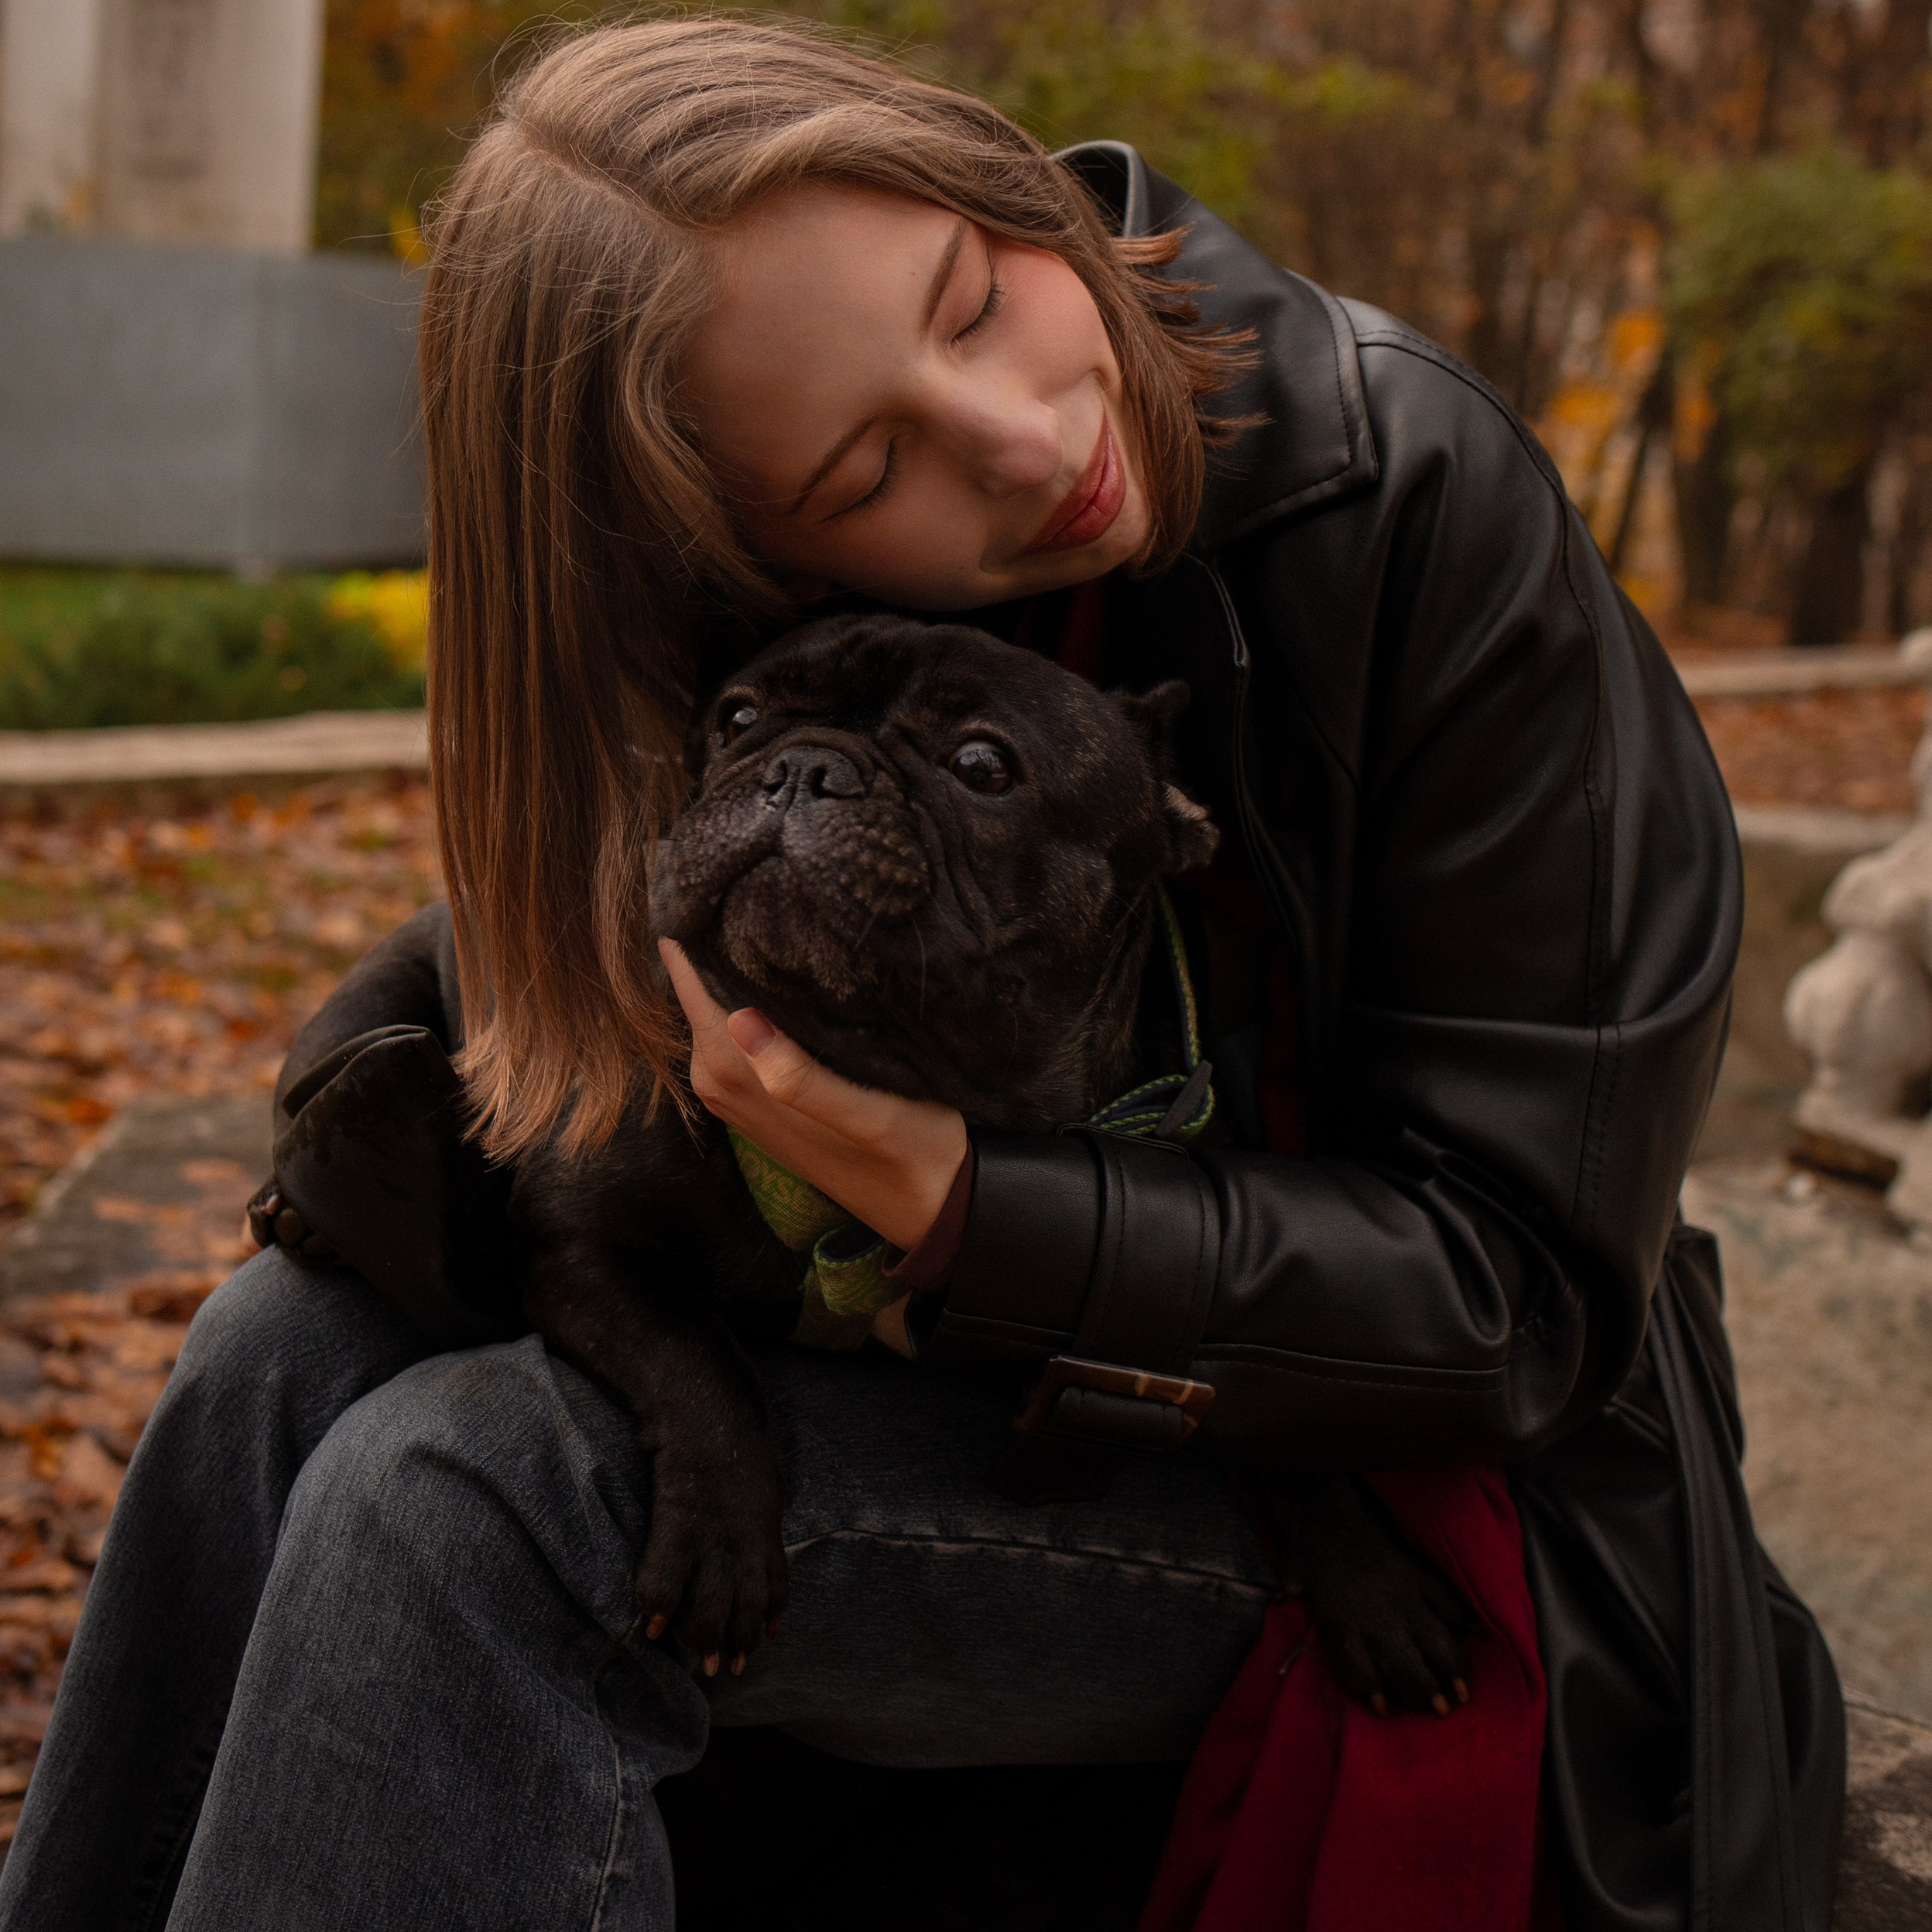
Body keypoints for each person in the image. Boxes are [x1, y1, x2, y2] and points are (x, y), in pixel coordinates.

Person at [0, 17, 1843, 1931]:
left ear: (997, 174)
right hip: (950, 1382)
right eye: (872, 463)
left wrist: (971, 1207)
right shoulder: (759, 605)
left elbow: (1526, 1309)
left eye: (976, 303)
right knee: (270, 1363)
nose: (1031, 443)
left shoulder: (1423, 506)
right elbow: (605, 930)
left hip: (1420, 1484)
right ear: (745, 554)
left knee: (470, 1498)